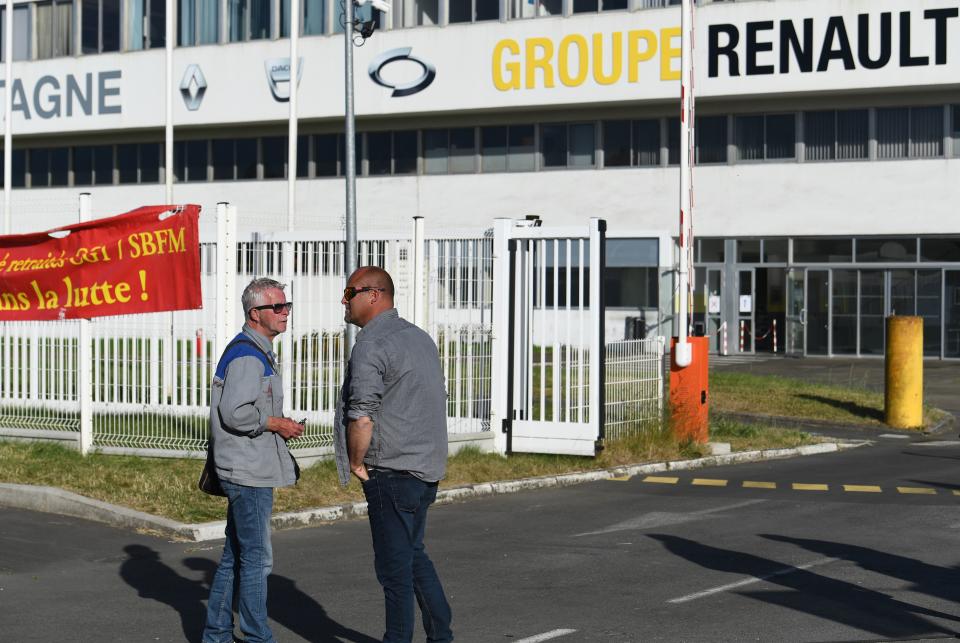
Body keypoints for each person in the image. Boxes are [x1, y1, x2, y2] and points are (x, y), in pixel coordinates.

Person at [334, 266, 454, 643]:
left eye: (349, 292)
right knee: (414, 558)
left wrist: (356, 462)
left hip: (392, 472)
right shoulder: (419, 338)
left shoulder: (371, 344)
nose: (344, 300)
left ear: (374, 295)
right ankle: (441, 637)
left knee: (394, 572)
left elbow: (362, 413)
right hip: (425, 470)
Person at [202, 277, 305, 643]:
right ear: (255, 313)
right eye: (277, 307)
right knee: (258, 561)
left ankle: (215, 635)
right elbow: (235, 413)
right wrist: (277, 423)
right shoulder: (248, 355)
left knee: (235, 556)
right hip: (248, 471)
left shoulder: (255, 349)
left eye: (286, 305)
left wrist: (276, 423)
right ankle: (258, 637)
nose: (285, 313)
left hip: (244, 466)